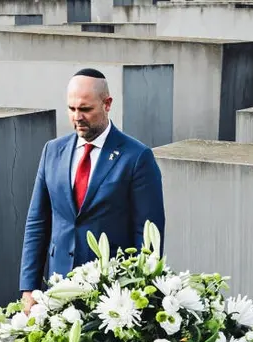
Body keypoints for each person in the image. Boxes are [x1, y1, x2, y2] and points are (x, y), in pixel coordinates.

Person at [19, 68, 165, 311]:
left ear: (107, 104)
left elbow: (148, 234)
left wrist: (139, 295)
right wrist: (28, 287)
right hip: (57, 289)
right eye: (72, 109)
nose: (77, 116)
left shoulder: (137, 157)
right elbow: (37, 222)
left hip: (111, 297)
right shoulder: (52, 151)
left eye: (85, 109)